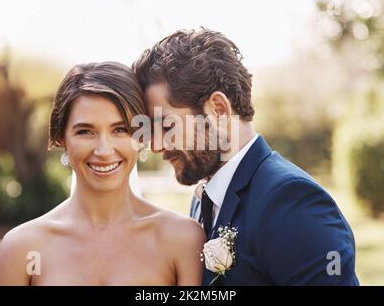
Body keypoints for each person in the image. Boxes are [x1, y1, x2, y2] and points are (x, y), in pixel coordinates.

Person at [133, 28, 359, 285]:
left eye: (166, 126)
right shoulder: (203, 200)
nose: (156, 145)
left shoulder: (292, 201)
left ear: (218, 109)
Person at [0, 61, 205, 286]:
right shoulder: (21, 248)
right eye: (85, 132)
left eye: (120, 130)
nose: (104, 150)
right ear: (61, 138)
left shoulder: (182, 240)